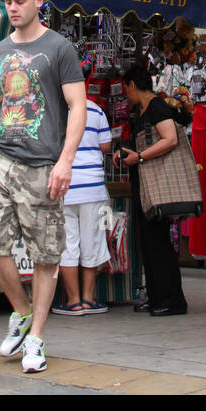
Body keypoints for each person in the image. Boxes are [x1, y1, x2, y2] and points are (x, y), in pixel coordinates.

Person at [0, 0, 87, 373]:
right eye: (8, 1)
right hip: (1, 159)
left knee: (45, 255)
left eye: (20, 1)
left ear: (38, 2)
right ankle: (19, 309)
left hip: (42, 164)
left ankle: (36, 337)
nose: (13, 8)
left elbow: (78, 106)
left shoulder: (60, 48)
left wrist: (66, 160)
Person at [118, 65, 188, 316]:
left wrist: (140, 157)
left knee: (158, 241)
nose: (126, 94)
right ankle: (157, 295)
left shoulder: (157, 106)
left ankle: (171, 299)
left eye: (127, 88)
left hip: (157, 184)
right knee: (149, 240)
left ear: (133, 85)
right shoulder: (143, 109)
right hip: (146, 183)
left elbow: (170, 139)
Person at [52, 96, 114, 316]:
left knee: (68, 244)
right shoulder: (96, 110)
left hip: (63, 185)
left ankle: (73, 301)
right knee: (92, 243)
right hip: (92, 186)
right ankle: (88, 299)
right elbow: (105, 144)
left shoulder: (54, 107)